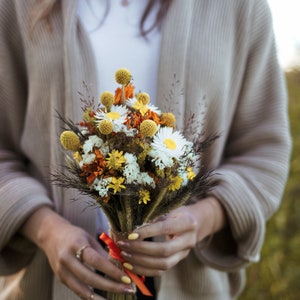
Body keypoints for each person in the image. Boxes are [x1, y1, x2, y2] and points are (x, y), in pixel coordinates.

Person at [0, 0, 291, 300]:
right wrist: (48, 232)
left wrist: (201, 220)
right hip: (48, 282)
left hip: (187, 283)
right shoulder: (18, 6)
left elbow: (263, 154)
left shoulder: (239, 7)